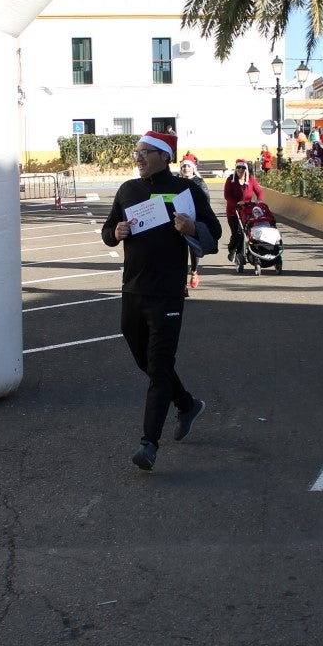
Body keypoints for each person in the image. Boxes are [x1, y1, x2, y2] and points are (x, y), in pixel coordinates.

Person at [102, 131, 221, 472]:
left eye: (144, 152)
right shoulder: (128, 190)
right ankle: (186, 404)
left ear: (165, 155)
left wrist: (191, 228)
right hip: (132, 290)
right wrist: (116, 233)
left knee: (158, 366)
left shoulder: (188, 190)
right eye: (136, 152)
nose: (137, 158)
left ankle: (149, 443)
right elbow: (108, 230)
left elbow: (214, 234)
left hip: (167, 292)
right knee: (148, 362)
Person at [223, 158, 264, 262]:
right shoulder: (230, 180)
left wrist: (259, 201)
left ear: (246, 169)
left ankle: (239, 255)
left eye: (242, 167)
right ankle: (232, 249)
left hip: (246, 212)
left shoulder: (250, 179)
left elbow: (259, 192)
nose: (240, 169)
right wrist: (236, 203)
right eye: (238, 167)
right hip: (233, 212)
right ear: (235, 169)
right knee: (236, 234)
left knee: (244, 234)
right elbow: (227, 195)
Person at [178, 159, 210, 293]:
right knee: (180, 251)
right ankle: (182, 284)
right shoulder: (176, 181)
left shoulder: (199, 182)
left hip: (194, 220)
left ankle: (195, 271)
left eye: (188, 166)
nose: (186, 168)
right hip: (178, 219)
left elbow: (205, 201)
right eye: (184, 166)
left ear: (193, 168)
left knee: (193, 249)